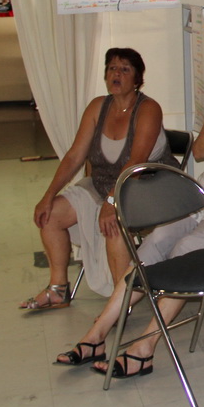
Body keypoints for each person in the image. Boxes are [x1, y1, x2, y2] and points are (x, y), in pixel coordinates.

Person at [54, 33, 204, 374]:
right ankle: (97, 334)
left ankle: (145, 346)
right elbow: (199, 152)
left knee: (186, 248)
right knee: (155, 241)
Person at [20, 48, 176, 309]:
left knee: (114, 224)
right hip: (104, 185)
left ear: (137, 79)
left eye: (125, 69)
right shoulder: (97, 107)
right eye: (112, 68)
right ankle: (58, 289)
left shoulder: (148, 109)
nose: (117, 74)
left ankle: (119, 304)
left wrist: (111, 202)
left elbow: (135, 161)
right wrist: (48, 196)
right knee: (50, 215)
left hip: (145, 185)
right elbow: (74, 156)